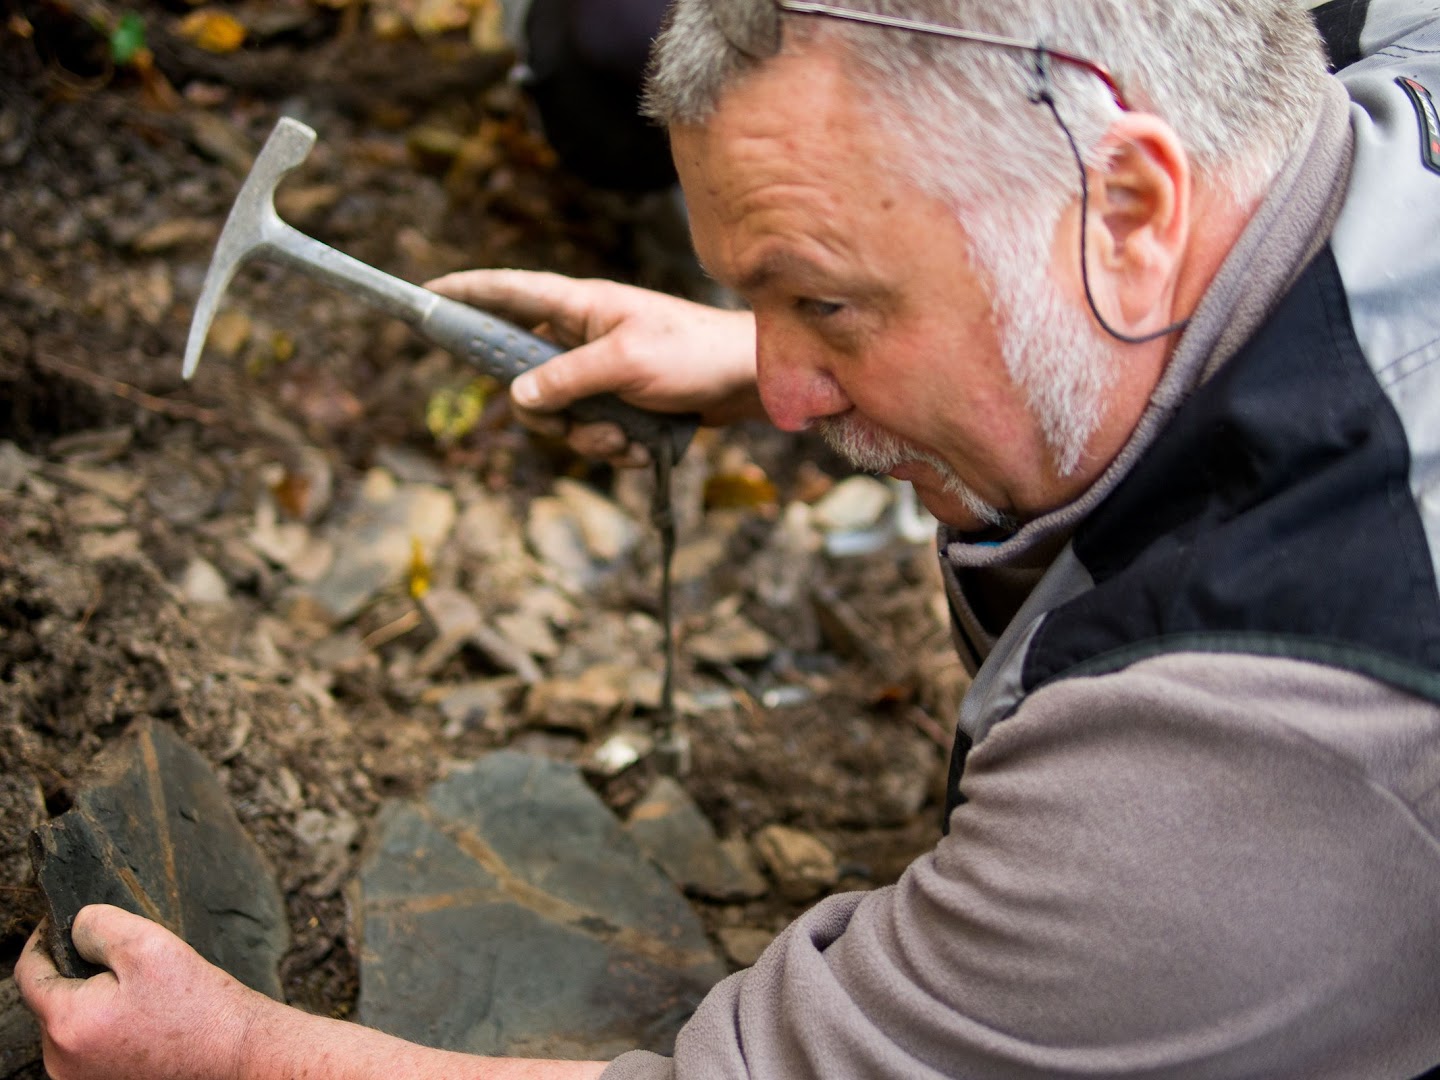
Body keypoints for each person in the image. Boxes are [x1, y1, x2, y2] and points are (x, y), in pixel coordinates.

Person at [18, 0, 1440, 1076]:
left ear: (1128, 206)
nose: (778, 392)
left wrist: (246, 1059)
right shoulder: (1368, 72)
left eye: (824, 303)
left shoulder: (1251, 758)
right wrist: (768, 324)